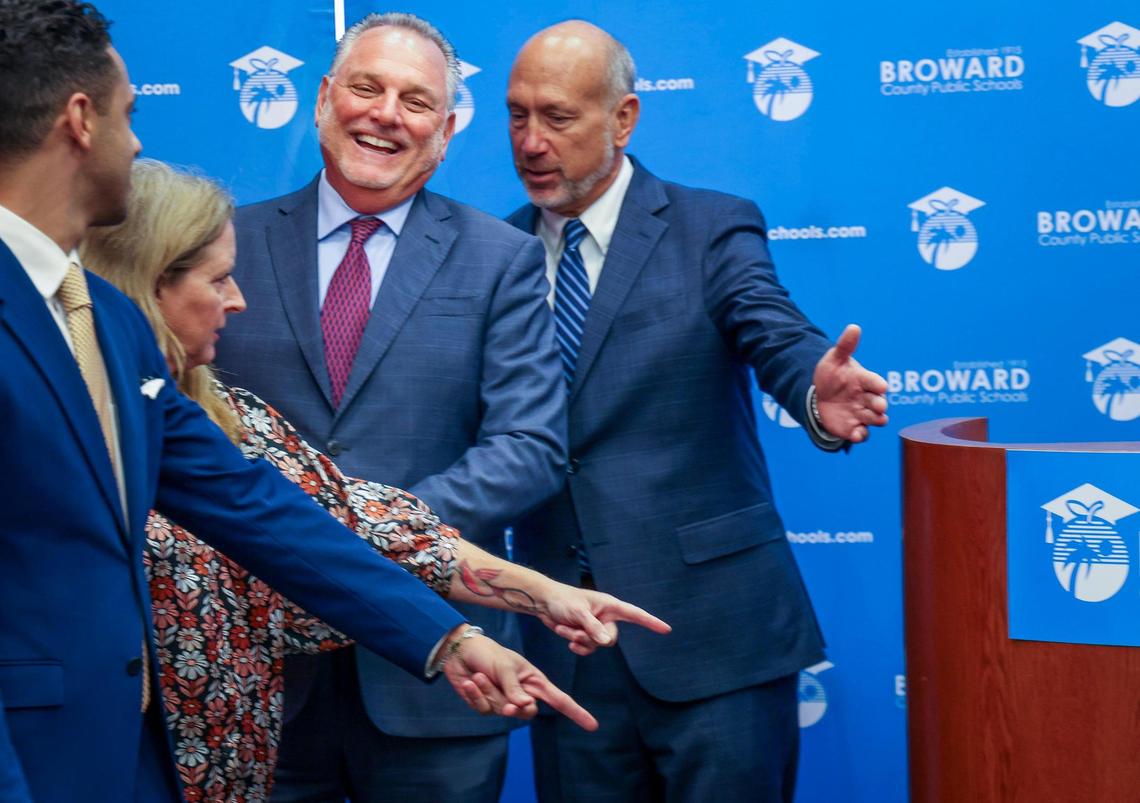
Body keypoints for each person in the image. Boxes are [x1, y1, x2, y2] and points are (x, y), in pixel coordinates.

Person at [0, 4, 591, 800]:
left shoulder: (101, 318)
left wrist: (446, 637)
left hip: (135, 754)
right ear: (79, 120)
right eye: (128, 113)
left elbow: (257, 503)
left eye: (415, 100)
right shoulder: (110, 299)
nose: (138, 142)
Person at [81, 159, 669, 802]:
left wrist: (524, 600)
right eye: (219, 279)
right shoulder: (77, 412)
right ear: (150, 285)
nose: (239, 300)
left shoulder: (218, 413)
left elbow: (342, 519)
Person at [504, 20, 890, 803]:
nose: (532, 142)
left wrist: (815, 392)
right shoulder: (491, 251)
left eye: (558, 116)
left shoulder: (711, 226)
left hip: (716, 639)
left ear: (624, 118)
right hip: (571, 644)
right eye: (517, 115)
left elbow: (771, 326)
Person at [213, 13, 567, 802]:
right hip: (264, 668)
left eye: (415, 102)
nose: (384, 114)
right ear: (323, 98)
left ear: (444, 134)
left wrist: (369, 526)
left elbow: (529, 444)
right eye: (367, 88)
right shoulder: (224, 243)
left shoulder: (502, 259)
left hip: (436, 673)